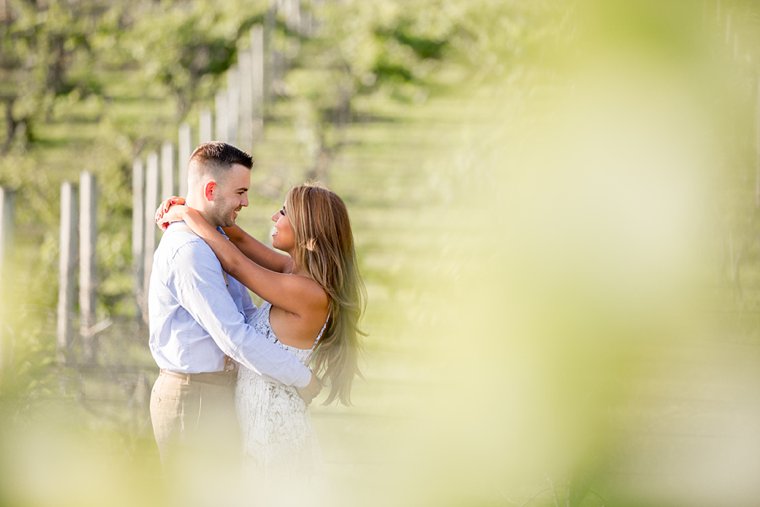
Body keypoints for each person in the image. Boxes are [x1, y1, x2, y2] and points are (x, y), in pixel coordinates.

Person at [155, 181, 366, 483]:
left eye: (283, 213)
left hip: (272, 422)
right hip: (257, 414)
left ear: (308, 236)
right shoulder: (293, 270)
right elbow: (237, 239)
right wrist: (189, 207)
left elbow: (235, 263)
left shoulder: (306, 291)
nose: (273, 218)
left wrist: (187, 215)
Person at [147, 142, 322, 490]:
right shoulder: (191, 252)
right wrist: (303, 378)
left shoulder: (215, 244)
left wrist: (189, 212)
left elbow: (243, 305)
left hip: (220, 395)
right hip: (194, 396)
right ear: (211, 190)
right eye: (240, 192)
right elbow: (235, 336)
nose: (247, 202)